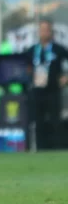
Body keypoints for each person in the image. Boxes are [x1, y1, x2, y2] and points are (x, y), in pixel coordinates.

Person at [23, 20, 68, 150]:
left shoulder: (58, 49)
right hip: (37, 90)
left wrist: (66, 77)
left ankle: (58, 147)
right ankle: (41, 148)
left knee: (55, 120)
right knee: (38, 120)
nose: (44, 32)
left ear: (51, 31)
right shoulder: (33, 50)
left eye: (46, 30)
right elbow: (25, 67)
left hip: (53, 90)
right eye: (41, 30)